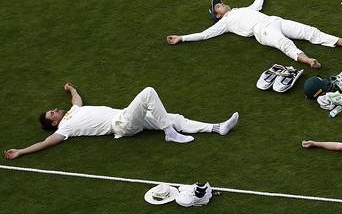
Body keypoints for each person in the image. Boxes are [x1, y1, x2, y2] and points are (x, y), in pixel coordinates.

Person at [4, 83, 238, 159]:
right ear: (54, 123)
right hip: (122, 124)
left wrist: (70, 88)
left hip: (126, 116)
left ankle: (217, 128)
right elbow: (45, 143)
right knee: (148, 93)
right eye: (52, 113)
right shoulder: (64, 128)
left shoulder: (73, 111)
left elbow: (77, 98)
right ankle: (170, 133)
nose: (55, 110)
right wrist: (21, 151)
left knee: (174, 117)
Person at [167, 0, 342, 69]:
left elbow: (257, 6)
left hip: (274, 20)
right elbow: (203, 35)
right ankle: (307, 60)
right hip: (262, 31)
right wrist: (181, 38)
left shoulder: (240, 9)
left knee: (308, 31)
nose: (221, 4)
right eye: (218, 6)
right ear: (217, 15)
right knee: (285, 44)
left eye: (220, 3)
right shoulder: (224, 23)